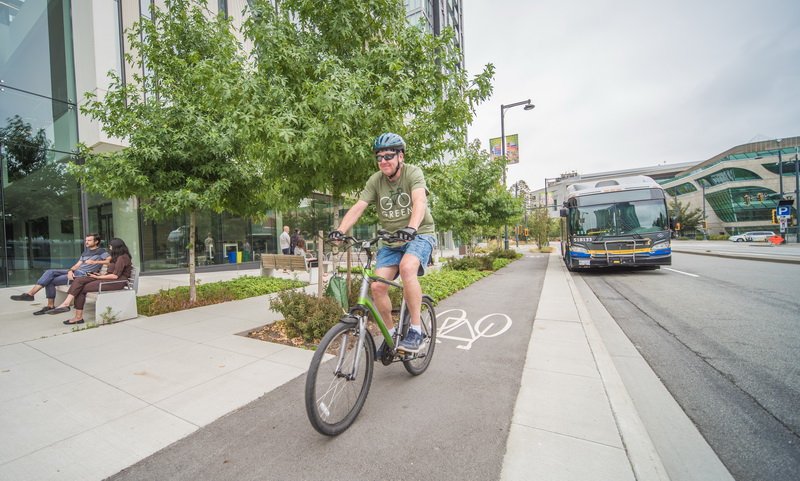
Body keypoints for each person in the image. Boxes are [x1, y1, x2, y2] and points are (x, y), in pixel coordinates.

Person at [329, 132, 436, 353]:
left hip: (419, 233)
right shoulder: (375, 181)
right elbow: (359, 206)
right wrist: (340, 230)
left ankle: (416, 330)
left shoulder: (413, 173)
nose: (383, 161)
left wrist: (412, 228)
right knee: (377, 286)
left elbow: (419, 200)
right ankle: (392, 336)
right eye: (379, 157)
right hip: (390, 239)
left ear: (401, 157)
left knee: (407, 268)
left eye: (388, 156)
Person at [10, 233, 110, 315]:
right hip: (76, 272)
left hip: (83, 275)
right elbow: (77, 265)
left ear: (96, 241)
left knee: (50, 280)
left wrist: (95, 262)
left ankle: (35, 297)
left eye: (89, 240)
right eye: (86, 240)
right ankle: (38, 299)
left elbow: (109, 261)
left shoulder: (101, 251)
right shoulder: (85, 252)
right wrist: (70, 270)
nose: (86, 242)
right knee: (49, 273)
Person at [48, 238, 133, 325]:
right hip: (108, 278)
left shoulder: (123, 258)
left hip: (117, 282)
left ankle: (78, 317)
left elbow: (115, 276)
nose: (109, 247)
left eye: (110, 246)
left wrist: (100, 277)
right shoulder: (116, 257)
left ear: (116, 247)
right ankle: (66, 303)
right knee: (79, 280)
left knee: (81, 288)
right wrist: (97, 275)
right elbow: (110, 271)